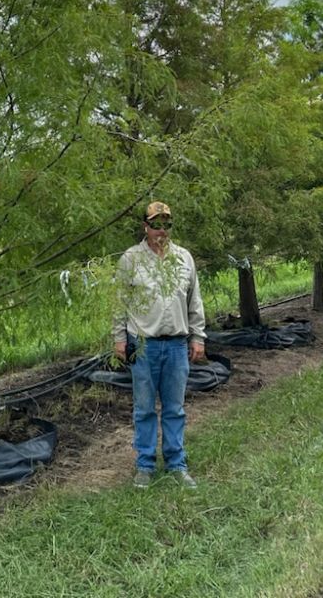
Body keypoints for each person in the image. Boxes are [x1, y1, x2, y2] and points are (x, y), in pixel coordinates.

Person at [112, 200, 206, 488]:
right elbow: (119, 302)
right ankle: (145, 465)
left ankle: (177, 463)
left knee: (175, 408)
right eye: (155, 224)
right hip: (143, 345)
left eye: (166, 224)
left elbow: (194, 300)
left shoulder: (184, 258)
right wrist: (119, 338)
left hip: (177, 345)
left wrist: (198, 336)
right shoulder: (130, 259)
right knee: (144, 409)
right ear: (145, 226)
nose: (161, 230)